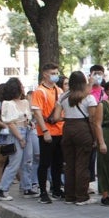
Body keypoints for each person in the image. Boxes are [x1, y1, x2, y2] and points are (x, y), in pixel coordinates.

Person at [58, 72, 100, 205]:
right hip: (82, 128)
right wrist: (95, 137)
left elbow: (56, 116)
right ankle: (82, 196)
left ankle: (69, 196)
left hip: (67, 128)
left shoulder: (63, 96)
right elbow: (92, 119)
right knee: (82, 163)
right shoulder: (89, 98)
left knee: (69, 164)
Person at [0, 78, 34, 202]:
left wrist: (30, 124)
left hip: (27, 130)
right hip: (16, 133)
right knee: (14, 162)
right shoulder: (7, 104)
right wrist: (20, 138)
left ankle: (27, 187)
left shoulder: (25, 102)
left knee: (27, 161)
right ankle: (3, 190)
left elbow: (27, 117)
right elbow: (10, 123)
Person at [30, 64, 64, 204]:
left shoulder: (59, 90)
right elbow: (37, 113)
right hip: (47, 131)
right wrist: (44, 131)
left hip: (60, 130)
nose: (55, 75)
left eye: (56, 72)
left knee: (58, 163)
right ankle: (43, 191)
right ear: (45, 74)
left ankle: (56, 189)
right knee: (45, 163)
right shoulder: (39, 91)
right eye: (52, 72)